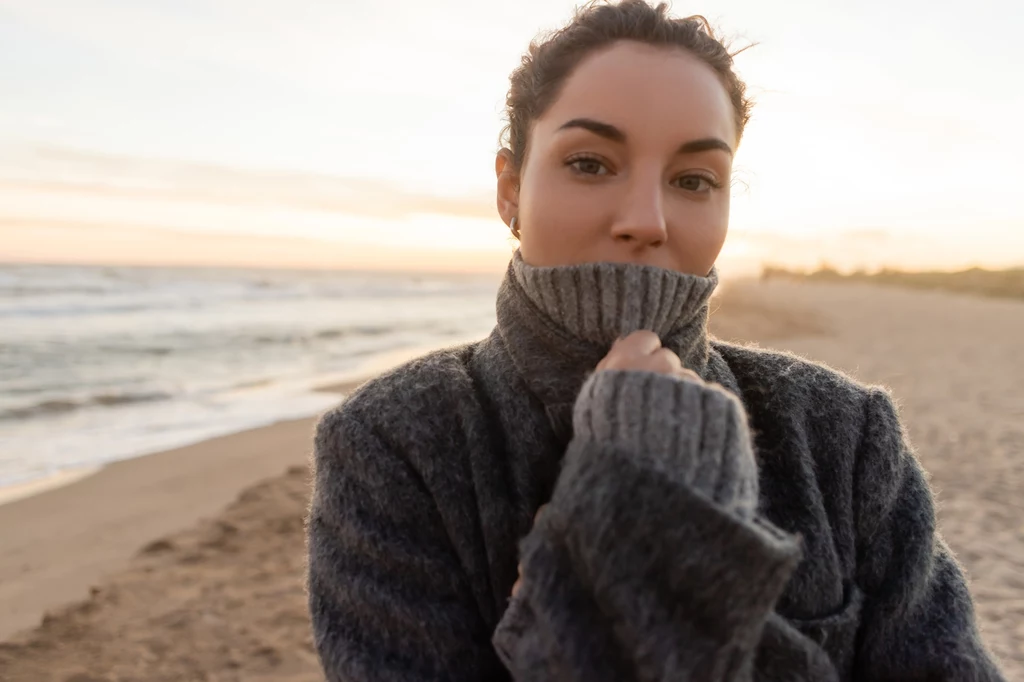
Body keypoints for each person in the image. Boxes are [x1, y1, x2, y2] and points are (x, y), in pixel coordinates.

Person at [305, 1, 1006, 680]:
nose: (647, 219)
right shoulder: (391, 446)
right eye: (590, 163)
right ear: (510, 187)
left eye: (694, 179)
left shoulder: (844, 436)